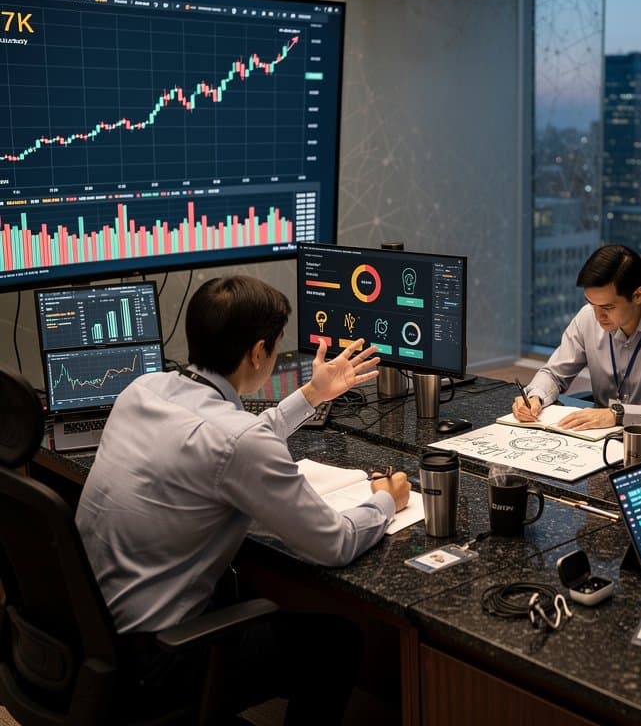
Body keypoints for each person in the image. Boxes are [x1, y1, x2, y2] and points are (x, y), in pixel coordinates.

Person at [75, 275, 411, 723]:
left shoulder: (143, 390)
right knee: (337, 642)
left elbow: (225, 440)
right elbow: (333, 544)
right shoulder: (238, 442)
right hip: (155, 660)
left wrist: (312, 395)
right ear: (258, 352)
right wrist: (385, 500)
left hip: (90, 632)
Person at [512, 244, 641, 431]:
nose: (598, 316)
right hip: (598, 438)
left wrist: (619, 415)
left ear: (638, 296)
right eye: (591, 303)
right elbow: (554, 374)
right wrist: (536, 397)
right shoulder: (587, 317)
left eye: (608, 307)